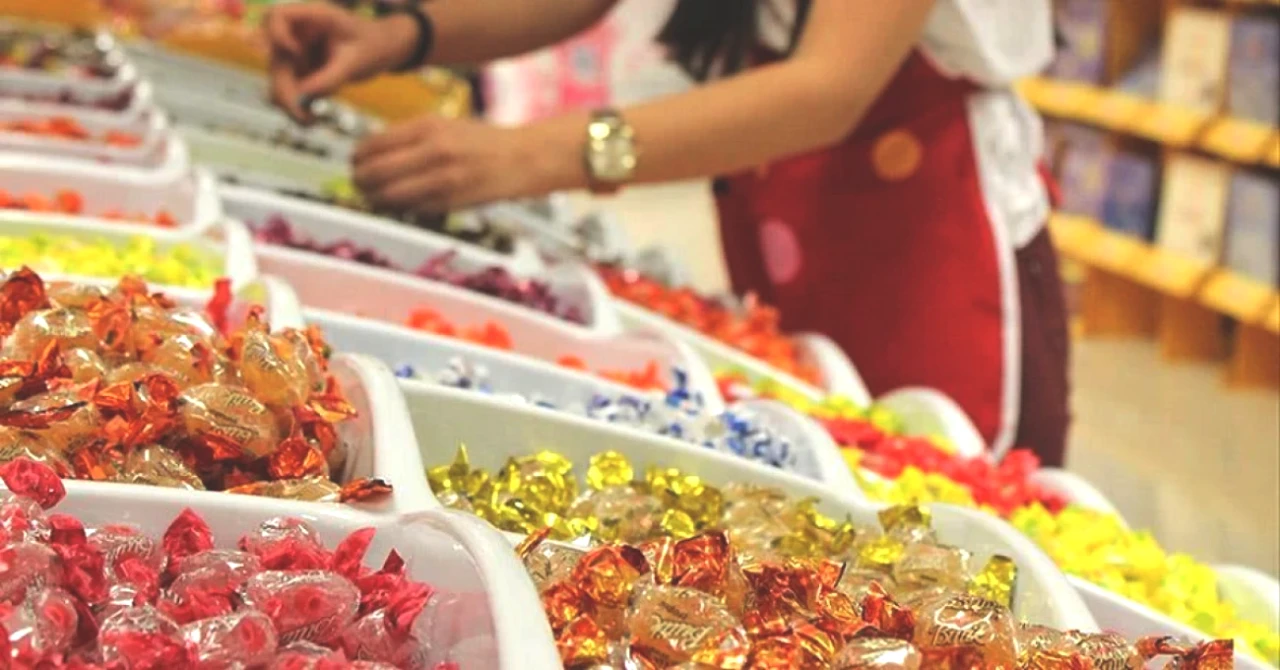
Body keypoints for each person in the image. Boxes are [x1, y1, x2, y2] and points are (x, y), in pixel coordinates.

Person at [262, 0, 1071, 466]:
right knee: (815, 435)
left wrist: (531, 153)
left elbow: (829, 86)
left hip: (929, 240)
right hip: (790, 210)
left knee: (929, 476)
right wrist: (404, 33)